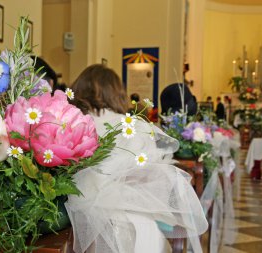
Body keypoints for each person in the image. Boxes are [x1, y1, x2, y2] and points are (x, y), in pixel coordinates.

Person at [66, 64, 208, 253]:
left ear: (79, 90)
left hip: (79, 225)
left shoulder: (70, 124)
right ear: (117, 93)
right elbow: (154, 180)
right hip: (137, 226)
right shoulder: (134, 127)